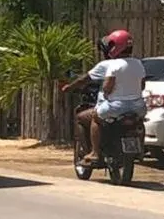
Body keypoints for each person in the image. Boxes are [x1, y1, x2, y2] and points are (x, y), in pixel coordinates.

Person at [62, 30, 146, 165]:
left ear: (116, 46)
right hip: (138, 107)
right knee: (138, 122)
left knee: (96, 117)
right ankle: (140, 150)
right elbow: (142, 86)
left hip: (116, 107)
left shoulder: (113, 64)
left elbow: (106, 87)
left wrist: (69, 88)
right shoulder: (138, 64)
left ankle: (95, 152)